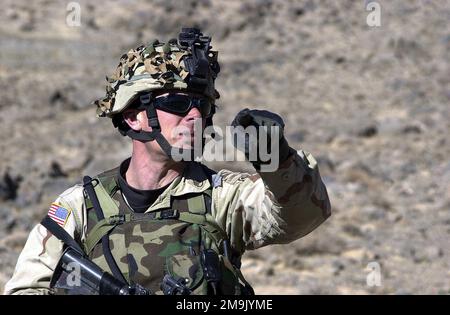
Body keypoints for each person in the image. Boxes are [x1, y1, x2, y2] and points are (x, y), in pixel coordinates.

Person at [4, 28, 331, 295]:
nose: (193, 116)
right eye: (177, 103)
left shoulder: (220, 197)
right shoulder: (80, 206)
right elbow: (27, 288)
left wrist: (277, 159)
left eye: (201, 107)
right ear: (133, 117)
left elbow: (302, 216)